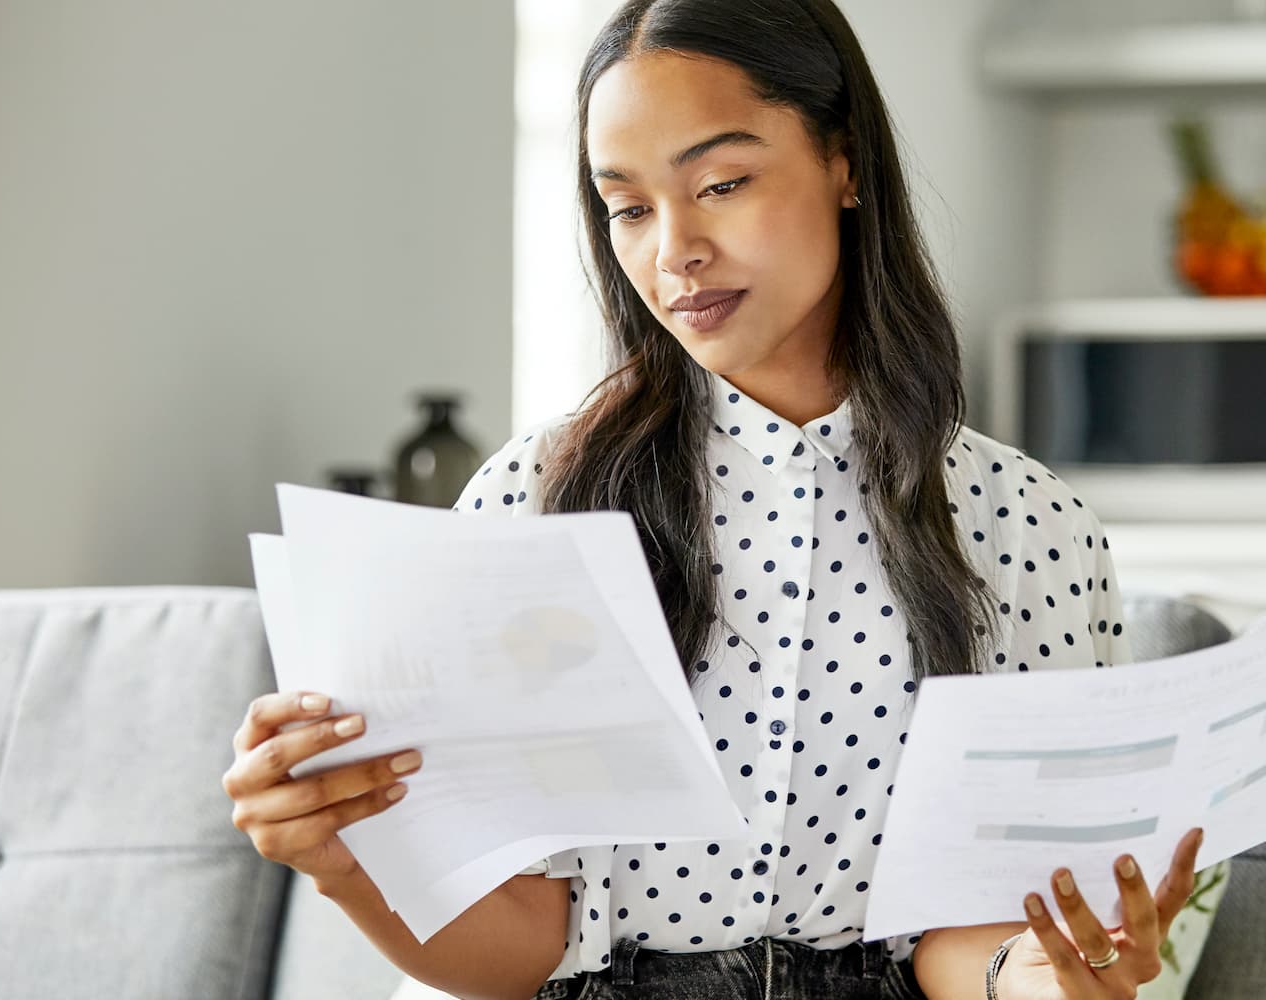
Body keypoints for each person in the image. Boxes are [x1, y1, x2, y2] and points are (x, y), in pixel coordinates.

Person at [221, 1, 1205, 997]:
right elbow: (525, 945)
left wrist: (1036, 977)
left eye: (721, 183)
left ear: (845, 162)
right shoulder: (533, 500)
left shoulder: (1024, 523)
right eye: (629, 207)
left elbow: (968, 941)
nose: (672, 250)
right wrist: (339, 860)